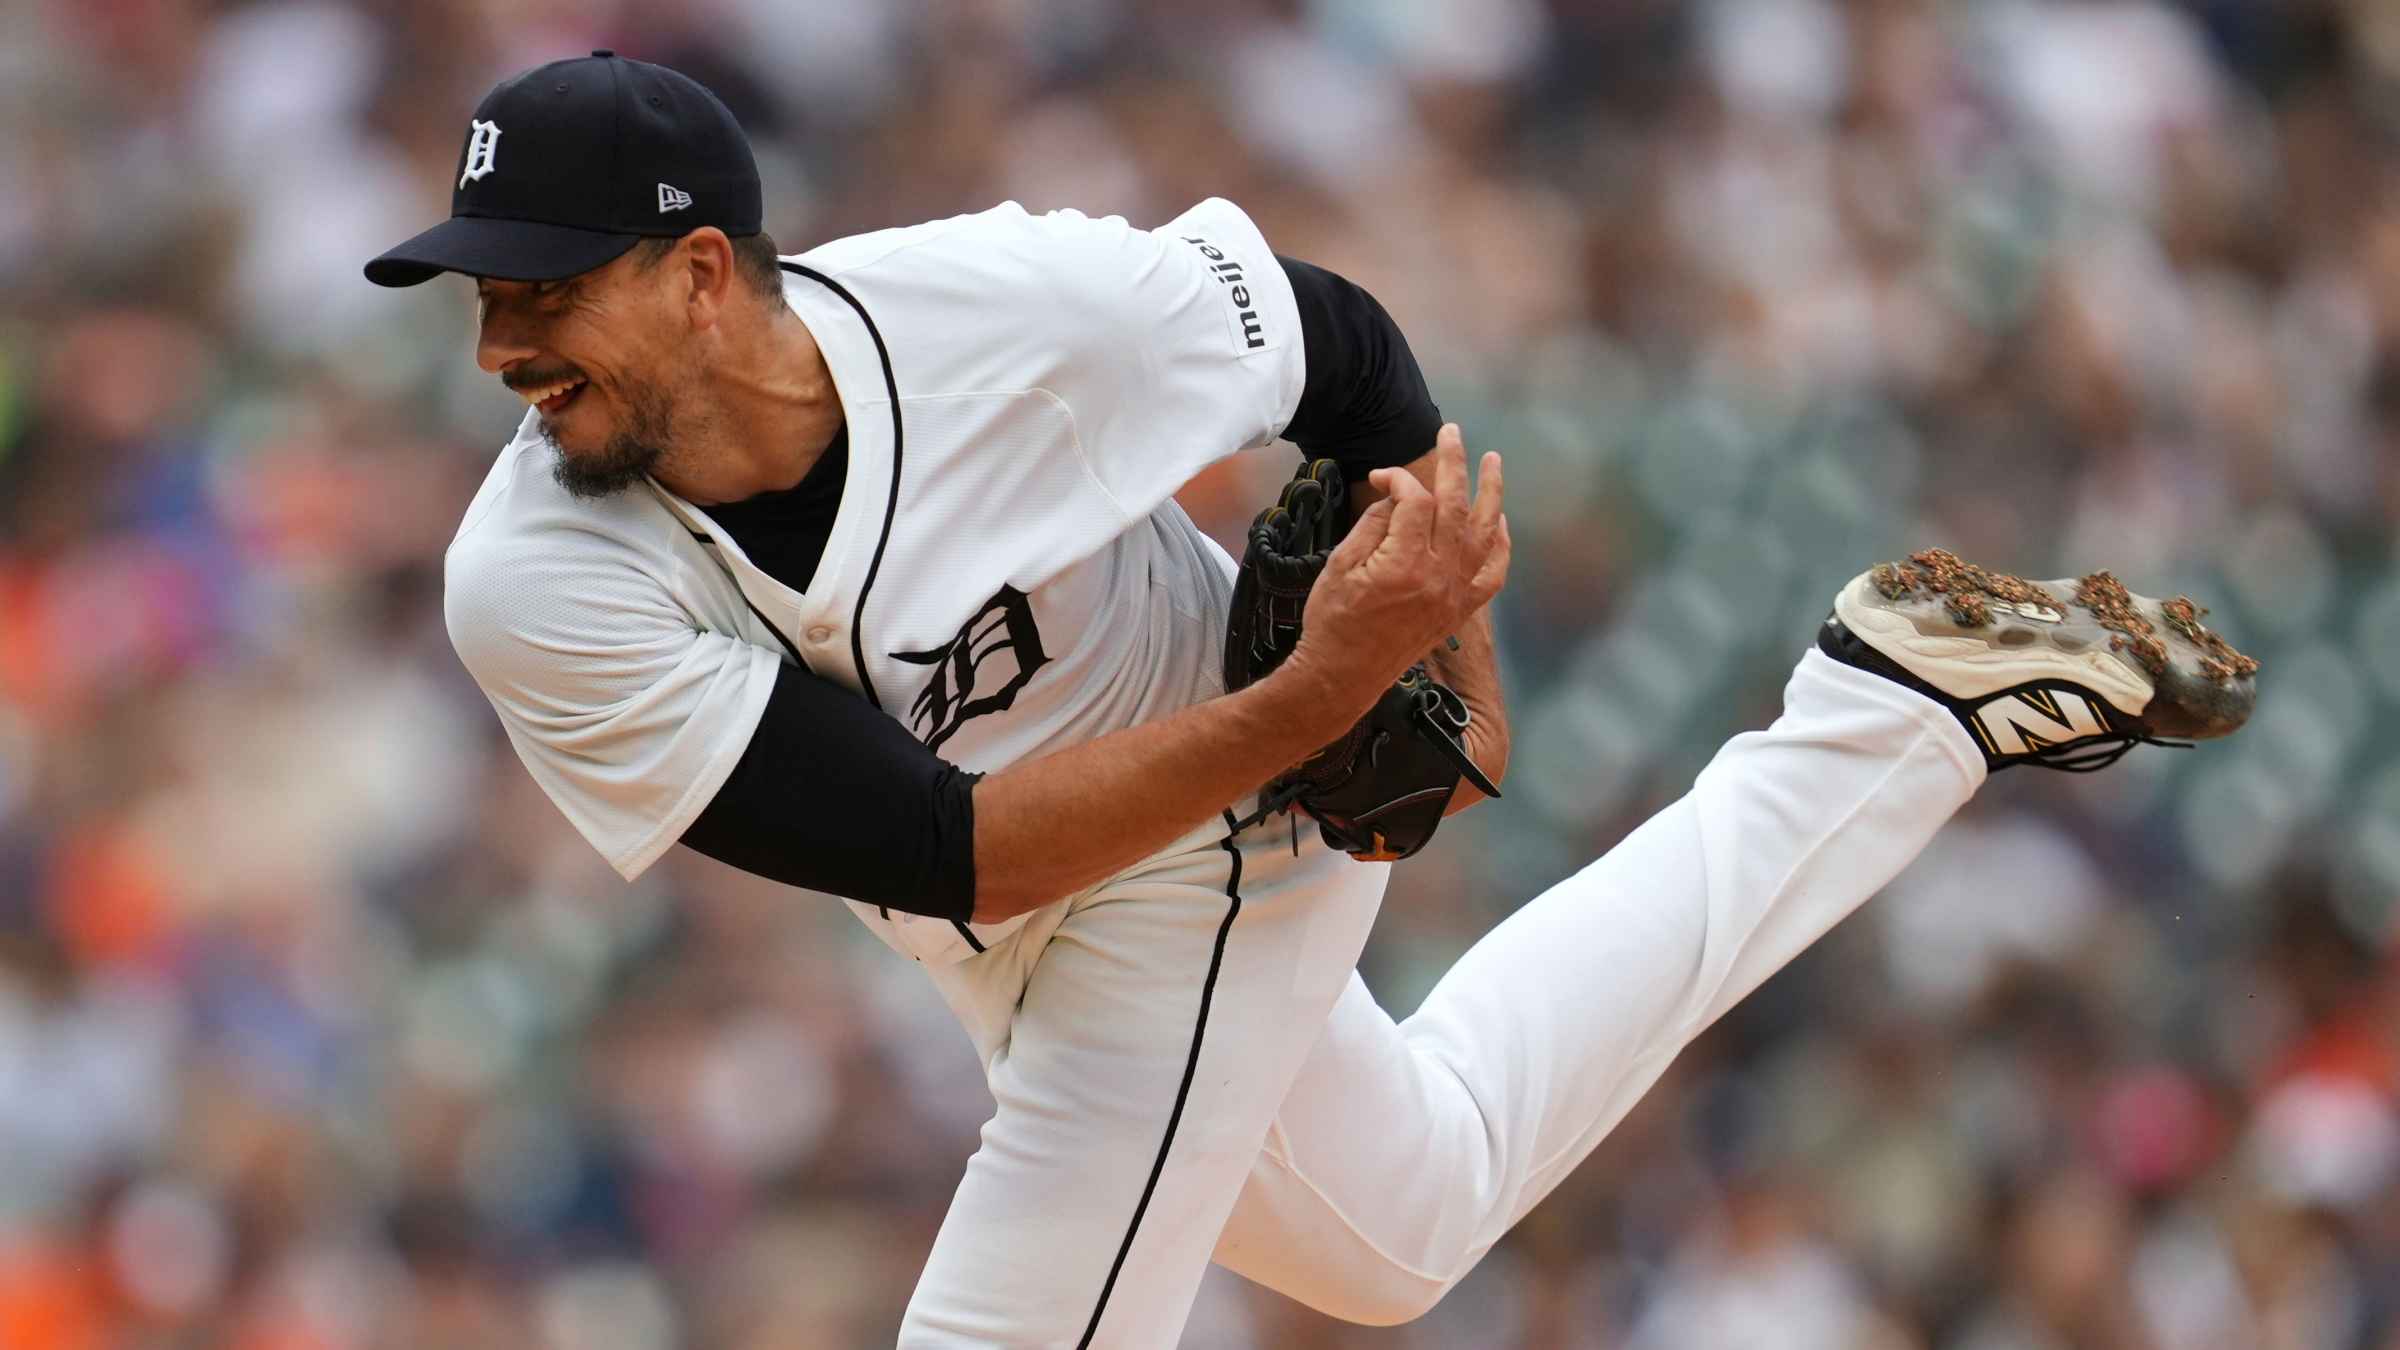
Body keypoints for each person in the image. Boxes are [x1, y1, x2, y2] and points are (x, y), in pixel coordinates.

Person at [366, 53, 2256, 1348]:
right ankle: (1894, 707)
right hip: (1021, 897)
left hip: (1223, 844)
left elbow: (1331, 344)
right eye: (480, 292)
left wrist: (1446, 618)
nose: (501, 340)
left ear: (703, 274)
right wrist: (1342, 678)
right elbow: (948, 851)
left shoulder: (1014, 313)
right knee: (1403, 1217)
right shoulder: (536, 575)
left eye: (543, 288)